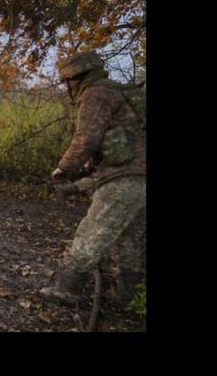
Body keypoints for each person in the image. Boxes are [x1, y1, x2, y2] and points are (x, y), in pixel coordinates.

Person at [39, 51, 146, 309]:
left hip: (123, 181)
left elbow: (86, 138)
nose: (68, 86)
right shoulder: (120, 93)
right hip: (140, 179)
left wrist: (63, 168)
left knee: (92, 232)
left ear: (76, 77)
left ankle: (68, 289)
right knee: (129, 239)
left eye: (68, 81)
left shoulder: (96, 93)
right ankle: (128, 298)